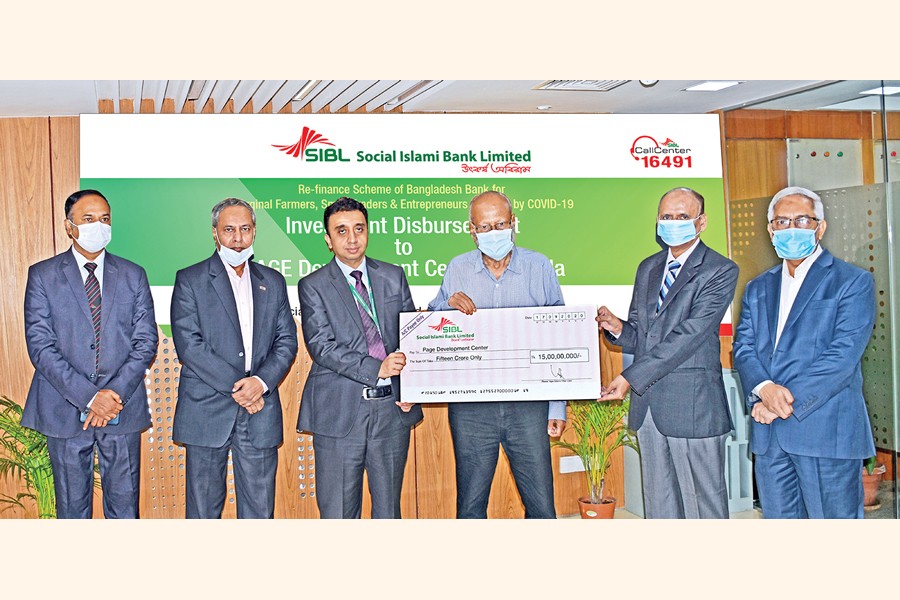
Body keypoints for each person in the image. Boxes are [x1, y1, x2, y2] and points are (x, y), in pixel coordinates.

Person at [733, 186, 875, 518]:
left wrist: (779, 402)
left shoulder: (851, 281)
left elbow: (842, 356)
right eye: (782, 222)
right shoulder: (757, 287)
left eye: (801, 220)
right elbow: (743, 347)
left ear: (820, 227)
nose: (791, 228)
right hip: (770, 438)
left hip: (825, 432)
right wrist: (764, 389)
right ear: (771, 230)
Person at [597, 187, 737, 519]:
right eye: (666, 217)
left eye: (683, 216)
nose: (673, 223)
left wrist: (629, 378)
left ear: (701, 222)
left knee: (703, 506)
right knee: (659, 504)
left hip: (693, 407)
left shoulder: (719, 270)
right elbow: (641, 334)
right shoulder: (648, 267)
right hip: (649, 408)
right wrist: (618, 328)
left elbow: (688, 336)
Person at [428, 191, 565, 519]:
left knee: (542, 508)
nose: (494, 232)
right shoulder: (458, 268)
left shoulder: (539, 266)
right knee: (470, 508)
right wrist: (446, 305)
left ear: (514, 223)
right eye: (485, 227)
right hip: (472, 409)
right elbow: (430, 325)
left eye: (501, 224)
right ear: (472, 230)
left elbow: (559, 338)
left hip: (529, 406)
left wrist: (557, 405)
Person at [23, 189, 158, 518]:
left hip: (121, 408)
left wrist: (112, 395)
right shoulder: (43, 275)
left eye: (104, 219)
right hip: (64, 410)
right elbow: (40, 346)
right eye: (88, 219)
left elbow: (145, 341)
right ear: (69, 226)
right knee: (72, 511)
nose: (99, 225)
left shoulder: (133, 275)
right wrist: (89, 397)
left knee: (125, 511)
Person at [171, 197, 297, 518]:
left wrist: (260, 383)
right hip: (207, 411)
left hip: (260, 411)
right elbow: (190, 346)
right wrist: (242, 388)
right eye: (229, 230)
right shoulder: (190, 280)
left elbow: (286, 342)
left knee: (259, 512)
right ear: (215, 233)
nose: (237, 238)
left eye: (245, 229)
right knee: (203, 512)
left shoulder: (273, 281)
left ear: (254, 231)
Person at [297, 197, 422, 518]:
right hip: (339, 413)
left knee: (388, 512)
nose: (352, 238)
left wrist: (411, 388)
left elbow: (411, 338)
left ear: (367, 231)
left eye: (359, 229)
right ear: (328, 239)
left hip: (391, 412)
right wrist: (378, 367)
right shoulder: (313, 285)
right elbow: (321, 346)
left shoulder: (393, 276)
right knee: (339, 513)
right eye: (341, 231)